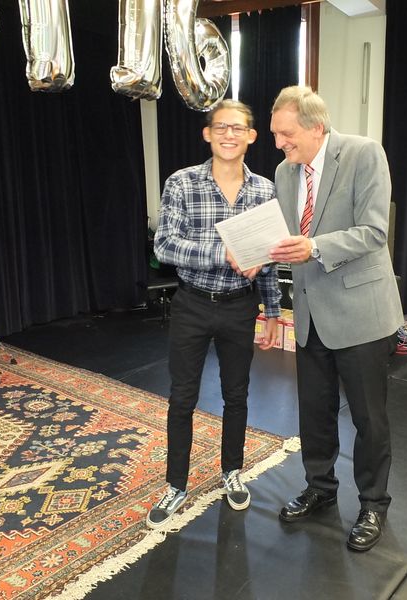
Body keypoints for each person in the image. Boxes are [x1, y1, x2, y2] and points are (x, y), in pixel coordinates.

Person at [268, 86, 404, 551]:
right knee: (315, 413)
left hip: (360, 313)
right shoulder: (284, 173)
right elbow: (287, 237)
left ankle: (373, 504)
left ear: (316, 127)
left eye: (286, 134)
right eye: (275, 135)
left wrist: (314, 247)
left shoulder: (364, 154)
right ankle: (320, 488)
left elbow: (373, 232)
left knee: (369, 419)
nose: (279, 144)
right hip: (310, 314)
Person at [147, 99, 281, 529]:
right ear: (207, 134)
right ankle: (176, 485)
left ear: (251, 136)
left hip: (240, 306)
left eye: (238, 128)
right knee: (182, 397)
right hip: (191, 304)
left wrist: (272, 311)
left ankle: (232, 471)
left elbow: (268, 257)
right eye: (221, 127)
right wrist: (222, 253)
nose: (229, 134)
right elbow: (165, 246)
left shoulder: (264, 191)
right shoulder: (182, 183)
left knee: (236, 394)